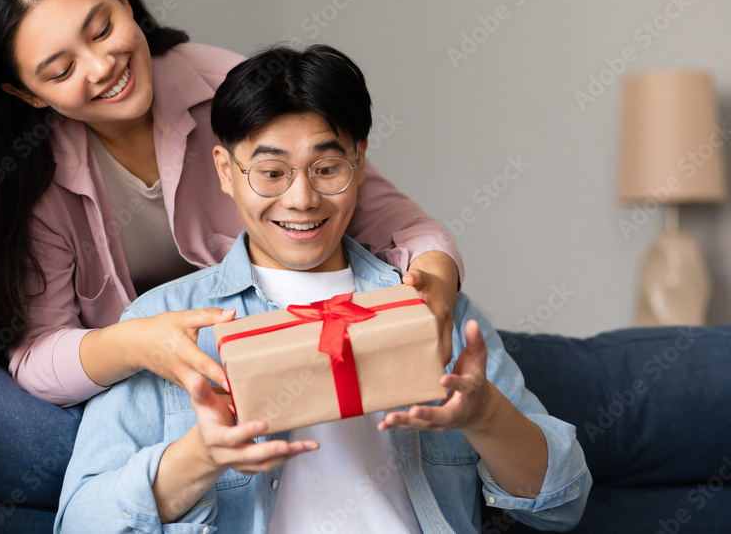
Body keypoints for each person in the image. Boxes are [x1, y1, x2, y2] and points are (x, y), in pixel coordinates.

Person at [56, 45, 591, 532]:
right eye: (270, 173)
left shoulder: (427, 305)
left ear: (359, 163)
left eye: (326, 167)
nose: (301, 198)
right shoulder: (166, 325)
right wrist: (201, 456)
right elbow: (79, 522)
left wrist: (485, 415)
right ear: (225, 170)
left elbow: (564, 504)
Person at [0, 0, 464, 407]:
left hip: (281, 364)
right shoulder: (26, 177)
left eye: (101, 29)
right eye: (62, 70)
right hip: (142, 397)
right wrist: (137, 343)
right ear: (25, 93)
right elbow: (38, 356)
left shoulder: (228, 90)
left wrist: (436, 280)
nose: (103, 67)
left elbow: (400, 226)